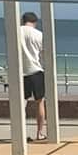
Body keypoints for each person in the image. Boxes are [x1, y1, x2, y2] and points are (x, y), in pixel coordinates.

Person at [18, 11, 48, 143]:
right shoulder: (39, 34)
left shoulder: (16, 32)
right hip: (36, 70)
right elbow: (44, 53)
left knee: (21, 104)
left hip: (19, 71)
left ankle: (20, 133)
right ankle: (40, 133)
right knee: (39, 102)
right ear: (35, 22)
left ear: (22, 20)